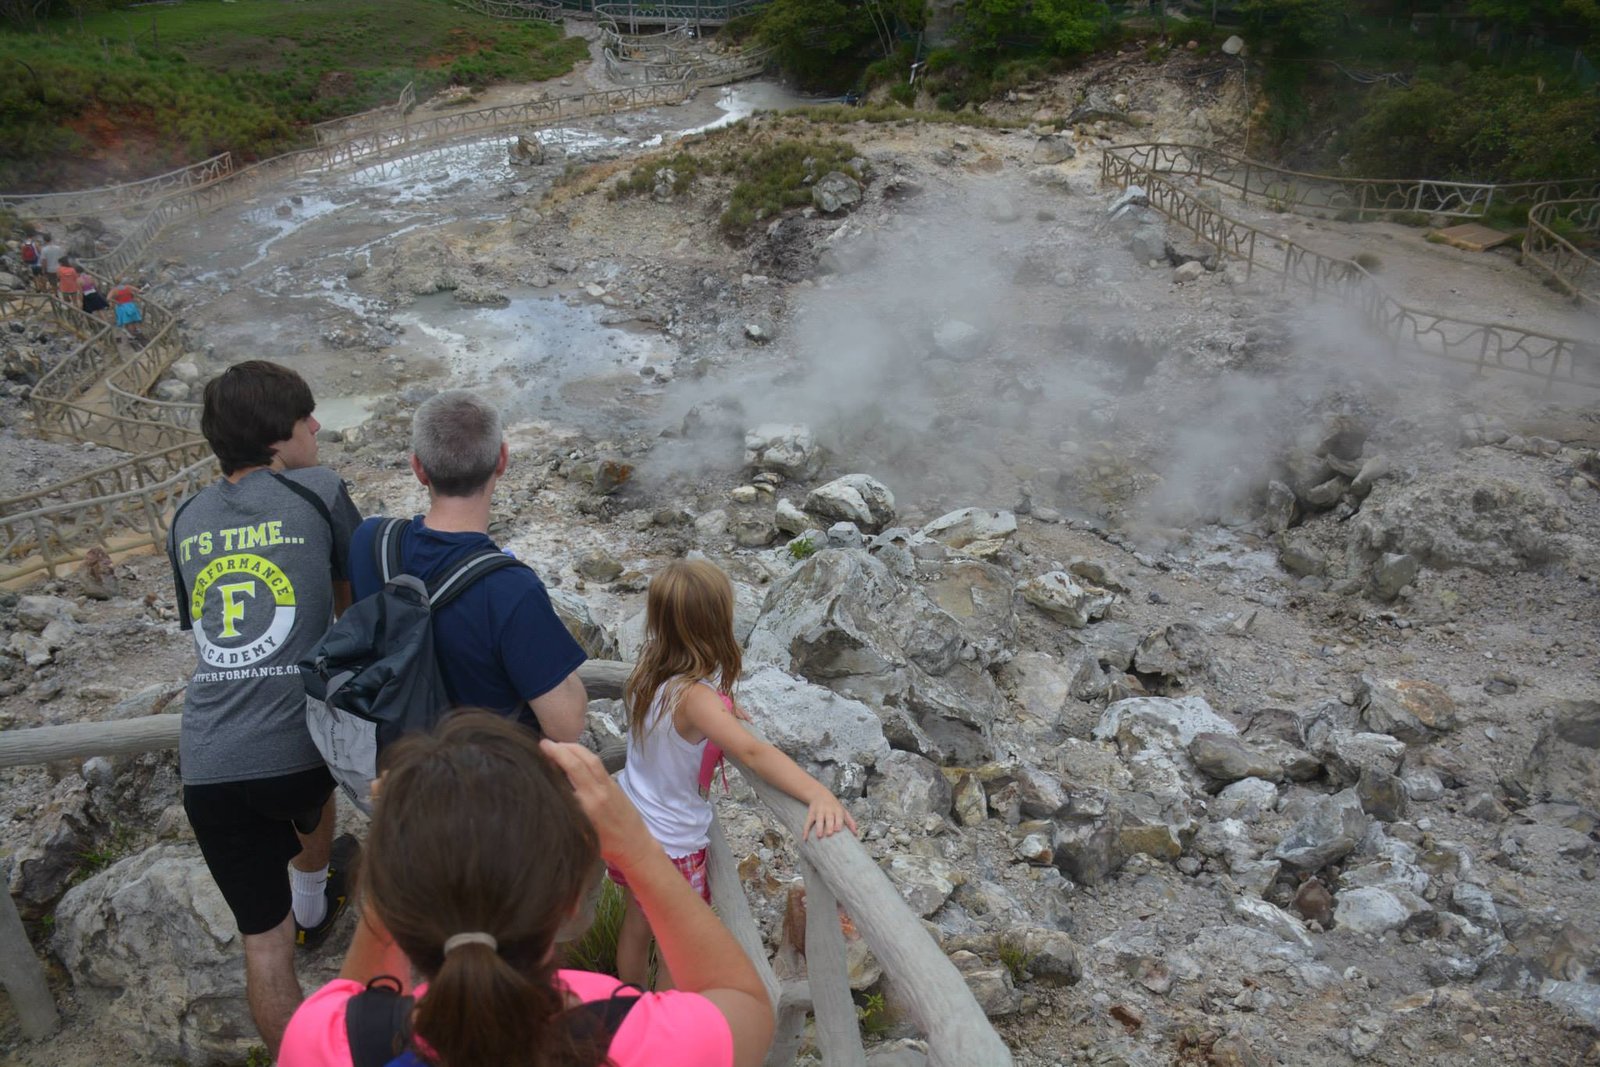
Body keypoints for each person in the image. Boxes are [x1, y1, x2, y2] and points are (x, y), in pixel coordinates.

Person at [278, 712, 775, 1067]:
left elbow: (358, 1002)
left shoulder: (329, 1043)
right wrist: (639, 850)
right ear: (570, 902)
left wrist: (401, 846)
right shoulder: (639, 1038)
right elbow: (743, 1002)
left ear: (393, 901)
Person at [167, 360, 363, 1060]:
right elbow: (354, 611)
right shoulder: (320, 489)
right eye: (307, 418)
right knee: (317, 789)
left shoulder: (186, 515)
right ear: (279, 436)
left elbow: (207, 629)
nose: (317, 427)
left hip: (208, 762)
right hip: (299, 750)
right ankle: (316, 898)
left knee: (264, 943)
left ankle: (299, 1049)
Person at [612, 559, 857, 990]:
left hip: (631, 826)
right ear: (716, 626)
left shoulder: (649, 669)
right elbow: (752, 751)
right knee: (677, 945)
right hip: (671, 844)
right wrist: (818, 792)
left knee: (637, 923)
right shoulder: (695, 699)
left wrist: (721, 707)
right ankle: (666, 1020)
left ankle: (628, 1001)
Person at [346, 390, 587, 741]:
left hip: (393, 762)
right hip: (480, 772)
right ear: (502, 460)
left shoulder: (370, 541)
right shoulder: (511, 589)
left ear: (418, 468)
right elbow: (566, 726)